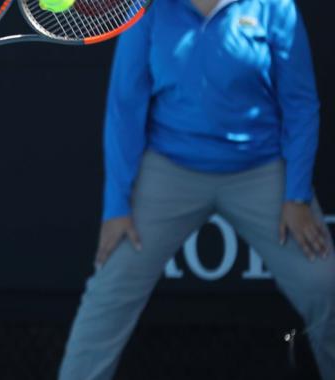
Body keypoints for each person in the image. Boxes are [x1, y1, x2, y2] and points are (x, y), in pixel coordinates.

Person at [58, 0, 335, 379]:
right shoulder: (147, 9)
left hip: (261, 169)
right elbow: (125, 106)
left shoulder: (275, 6)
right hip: (170, 168)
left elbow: (300, 104)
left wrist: (296, 195)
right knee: (110, 286)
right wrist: (116, 207)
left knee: (324, 283)